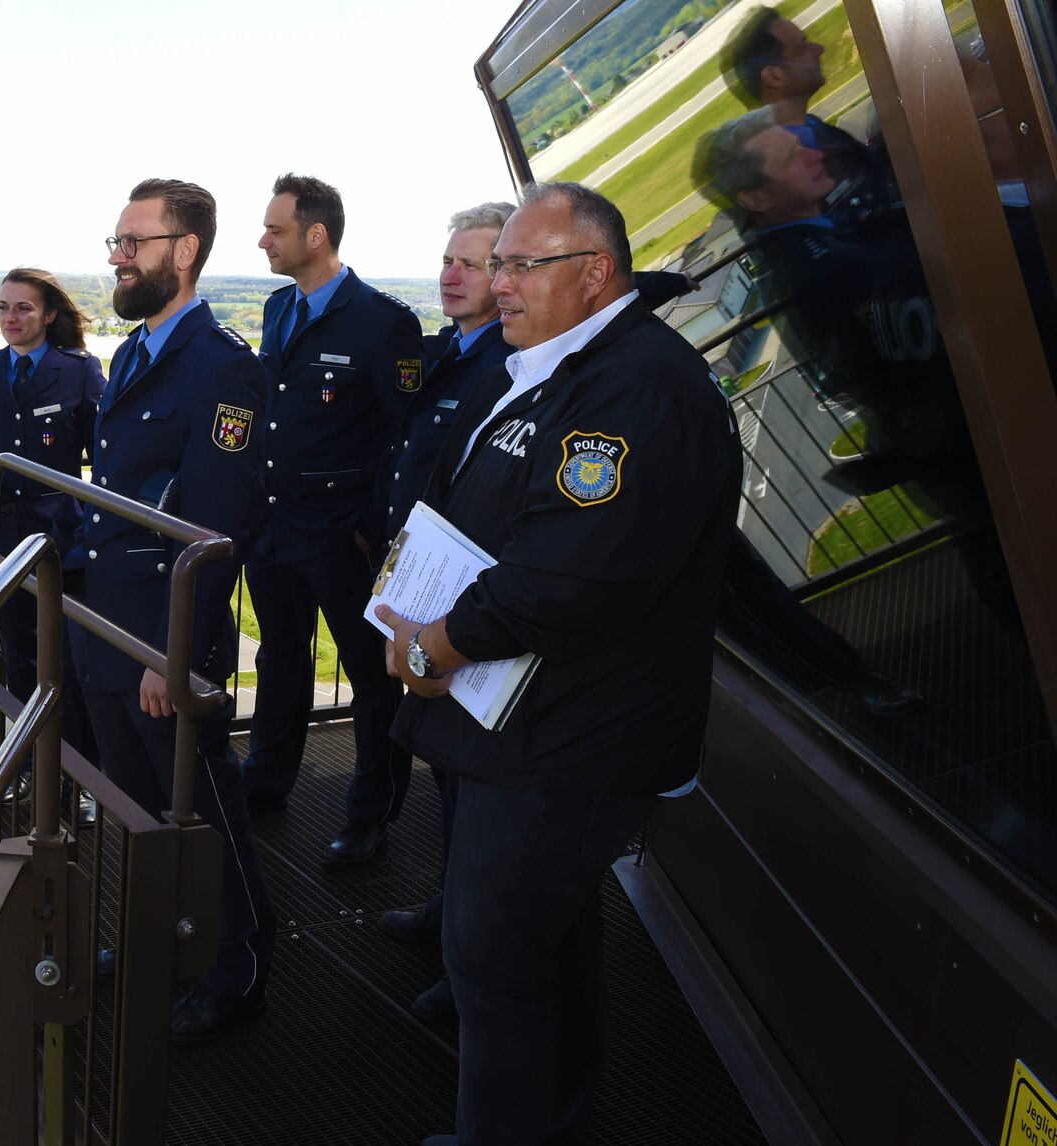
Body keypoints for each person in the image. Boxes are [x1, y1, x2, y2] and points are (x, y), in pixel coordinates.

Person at [373, 182, 741, 1145]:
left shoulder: (638, 387)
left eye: (521, 265)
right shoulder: (554, 366)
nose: (499, 284)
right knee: (549, 943)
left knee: (494, 962)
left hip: (570, 739)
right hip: (531, 723)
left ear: (596, 272)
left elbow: (570, 577)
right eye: (497, 264)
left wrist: (433, 642)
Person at [70, 177, 274, 1042]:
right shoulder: (134, 354)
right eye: (115, 244)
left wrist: (172, 652)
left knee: (202, 806)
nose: (117, 258)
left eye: (133, 243)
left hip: (162, 632)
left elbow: (217, 526)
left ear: (184, 251)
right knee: (137, 809)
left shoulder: (223, 366)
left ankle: (240, 964)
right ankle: (160, 941)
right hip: (109, 618)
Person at [238, 173, 427, 866]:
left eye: (275, 229)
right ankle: (267, 778)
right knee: (279, 656)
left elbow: (406, 439)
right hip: (276, 526)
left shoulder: (383, 323)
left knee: (373, 679)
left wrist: (366, 526)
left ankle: (369, 816)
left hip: (342, 535)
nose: (262, 240)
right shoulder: (277, 309)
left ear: (316, 236)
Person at [373, 201, 518, 1021]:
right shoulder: (452, 353)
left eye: (476, 262)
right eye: (450, 260)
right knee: (450, 784)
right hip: (424, 593)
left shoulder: (509, 364)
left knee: (475, 788)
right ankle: (448, 912)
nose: (452, 275)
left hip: (467, 613)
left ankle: (470, 968)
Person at [0, 268, 106, 756]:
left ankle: (76, 768)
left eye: (23, 308)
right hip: (1, 532)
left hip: (58, 533)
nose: (9, 318)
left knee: (62, 658)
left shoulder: (77, 370)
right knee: (17, 653)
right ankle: (26, 763)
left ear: (49, 314)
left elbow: (105, 451)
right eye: (3, 307)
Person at [724, 5, 877, 192]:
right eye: (803, 46)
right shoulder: (801, 166)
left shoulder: (809, 128)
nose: (819, 49)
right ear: (774, 77)